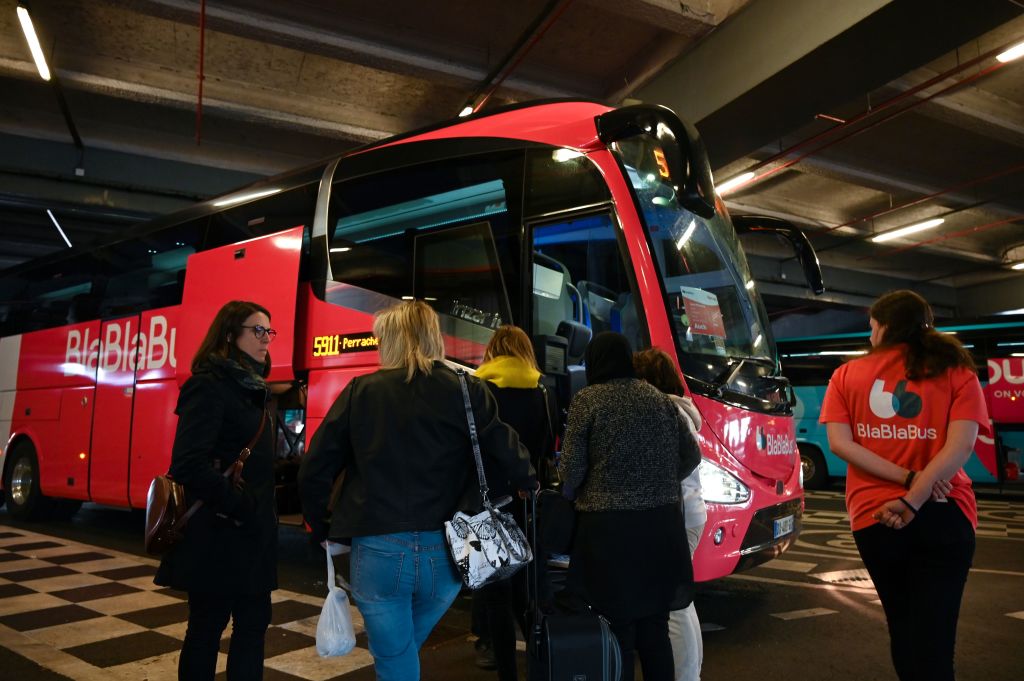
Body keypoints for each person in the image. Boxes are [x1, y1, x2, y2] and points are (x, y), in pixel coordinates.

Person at [297, 301, 536, 681]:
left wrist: (322, 526)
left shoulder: (361, 391)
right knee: (401, 652)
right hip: (446, 551)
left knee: (395, 657)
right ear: (432, 337)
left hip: (377, 549)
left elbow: (315, 468)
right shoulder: (467, 389)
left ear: (389, 340)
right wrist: (528, 482)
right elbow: (510, 452)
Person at [820, 290, 988, 681]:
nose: (870, 336)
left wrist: (909, 485)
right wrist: (918, 493)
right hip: (947, 512)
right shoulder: (958, 371)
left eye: (871, 327)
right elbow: (961, 446)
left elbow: (840, 445)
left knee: (903, 627)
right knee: (936, 637)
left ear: (884, 327)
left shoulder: (846, 375)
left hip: (875, 516)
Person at [559, 332, 700, 681]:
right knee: (655, 629)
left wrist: (580, 489)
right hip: (660, 527)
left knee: (617, 628)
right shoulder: (659, 399)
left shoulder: (588, 400)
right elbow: (691, 456)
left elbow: (571, 471)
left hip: (609, 533)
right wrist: (660, 480)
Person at [155, 300, 279, 681]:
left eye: (269, 332)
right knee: (206, 630)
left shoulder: (256, 390)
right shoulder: (208, 385)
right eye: (257, 330)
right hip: (217, 534)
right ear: (229, 335)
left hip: (253, 538)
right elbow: (188, 463)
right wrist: (240, 506)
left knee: (253, 629)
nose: (266, 339)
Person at [473, 325, 555, 681]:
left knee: (496, 591)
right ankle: (541, 663)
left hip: (487, 498)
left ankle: (504, 667)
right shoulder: (542, 389)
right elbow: (549, 442)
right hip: (527, 497)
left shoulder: (477, 387)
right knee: (527, 588)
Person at [633, 347, 705, 681]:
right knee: (680, 600)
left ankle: (686, 676)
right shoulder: (681, 408)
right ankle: (691, 673)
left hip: (680, 515)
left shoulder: (666, 411)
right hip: (690, 513)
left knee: (672, 605)